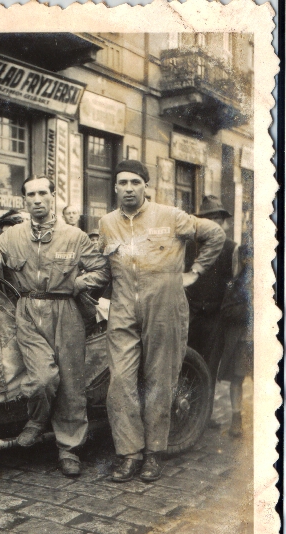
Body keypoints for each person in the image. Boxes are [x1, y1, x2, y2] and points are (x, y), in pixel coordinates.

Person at [87, 160, 225, 483]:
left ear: (146, 186)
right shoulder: (107, 223)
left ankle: (153, 454)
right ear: (115, 187)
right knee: (119, 381)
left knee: (159, 379)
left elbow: (215, 234)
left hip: (164, 306)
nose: (129, 189)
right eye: (123, 183)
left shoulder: (171, 216)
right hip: (123, 307)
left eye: (136, 182)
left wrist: (196, 271)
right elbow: (104, 266)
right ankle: (129, 454)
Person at [0, 174, 110, 477]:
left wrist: (81, 281)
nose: (36, 200)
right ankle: (36, 421)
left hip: (66, 310)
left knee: (72, 384)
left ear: (53, 197)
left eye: (42, 194)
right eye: (30, 195)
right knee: (42, 380)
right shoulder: (13, 235)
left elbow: (102, 269)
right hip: (28, 311)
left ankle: (69, 449)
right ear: (24, 200)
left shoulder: (74, 236)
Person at [185, 195, 238, 427]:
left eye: (217, 218)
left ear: (223, 222)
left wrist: (223, 308)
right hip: (191, 312)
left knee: (209, 364)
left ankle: (205, 416)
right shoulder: (189, 246)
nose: (214, 223)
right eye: (208, 219)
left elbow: (232, 282)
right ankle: (188, 413)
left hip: (215, 316)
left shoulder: (231, 249)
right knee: (187, 362)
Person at [217, 243, 253, 438]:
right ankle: (236, 418)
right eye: (248, 258)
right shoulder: (235, 283)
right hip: (243, 341)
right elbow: (226, 311)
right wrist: (250, 310)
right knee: (237, 379)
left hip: (268, 342)